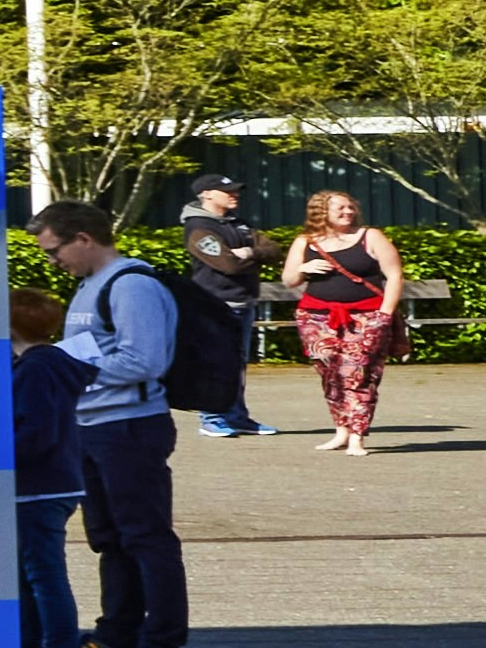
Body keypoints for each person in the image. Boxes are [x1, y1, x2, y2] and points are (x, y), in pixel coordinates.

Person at [53, 201, 192, 648]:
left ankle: (163, 644)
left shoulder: (131, 286)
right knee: (110, 536)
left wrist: (65, 371)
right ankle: (117, 629)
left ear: (84, 239)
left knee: (146, 536)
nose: (54, 261)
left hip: (129, 427)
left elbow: (144, 361)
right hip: (94, 427)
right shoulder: (90, 286)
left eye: (56, 251)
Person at [8, 292, 93, 648]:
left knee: (42, 576)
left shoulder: (35, 369)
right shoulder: (52, 364)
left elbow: (35, 433)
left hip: (37, 488)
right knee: (33, 575)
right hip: (54, 484)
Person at [287, 191, 407, 456]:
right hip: (315, 318)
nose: (348, 211)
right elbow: (289, 280)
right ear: (321, 212)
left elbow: (395, 276)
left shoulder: (370, 237)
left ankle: (357, 437)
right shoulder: (305, 241)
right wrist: (303, 270)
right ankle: (341, 430)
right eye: (340, 208)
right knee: (330, 374)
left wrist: (384, 315)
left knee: (359, 374)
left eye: (351, 207)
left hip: (365, 317)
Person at [167, 179, 265, 440]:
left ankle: (237, 417)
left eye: (236, 190)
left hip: (243, 301)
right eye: (228, 191)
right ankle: (211, 418)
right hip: (215, 303)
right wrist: (246, 256)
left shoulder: (238, 223)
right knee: (213, 361)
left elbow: (272, 249)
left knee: (238, 363)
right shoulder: (197, 227)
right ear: (207, 194)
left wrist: (247, 253)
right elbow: (226, 265)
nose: (235, 195)